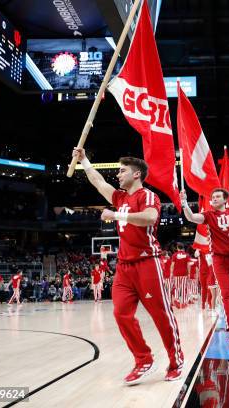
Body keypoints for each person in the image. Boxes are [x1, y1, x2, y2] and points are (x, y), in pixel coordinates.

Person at [73, 147, 183, 384]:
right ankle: (144, 359)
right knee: (121, 314)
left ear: (136, 174)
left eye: (122, 171)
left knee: (161, 315)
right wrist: (85, 161)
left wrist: (117, 216)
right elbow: (98, 182)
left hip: (148, 262)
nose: (118, 175)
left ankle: (176, 361)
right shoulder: (120, 197)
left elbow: (150, 217)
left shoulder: (147, 196)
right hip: (124, 266)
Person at [180, 188, 229, 344]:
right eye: (212, 196)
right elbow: (192, 217)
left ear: (225, 199)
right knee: (226, 294)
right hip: (219, 259)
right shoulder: (208, 215)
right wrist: (184, 203)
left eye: (217, 196)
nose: (214, 198)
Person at [170, 243, 190, 308]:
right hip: (184, 273)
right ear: (183, 247)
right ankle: (184, 303)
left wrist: (171, 273)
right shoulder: (187, 255)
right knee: (184, 288)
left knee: (177, 287)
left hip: (176, 274)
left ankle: (177, 300)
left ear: (177, 248)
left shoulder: (174, 255)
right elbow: (188, 265)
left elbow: (172, 265)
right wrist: (189, 273)